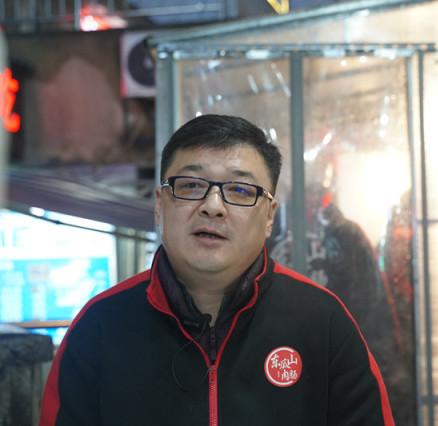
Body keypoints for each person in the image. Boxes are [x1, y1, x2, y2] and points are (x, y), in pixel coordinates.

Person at [39, 114, 395, 426]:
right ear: (160, 205)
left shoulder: (323, 322)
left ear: (270, 216)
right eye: (191, 186)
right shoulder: (100, 327)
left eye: (239, 190)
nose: (213, 206)